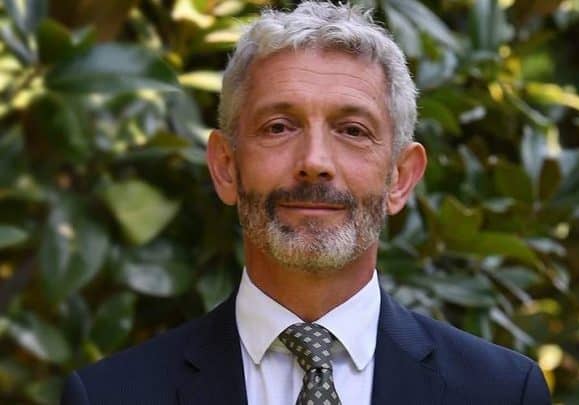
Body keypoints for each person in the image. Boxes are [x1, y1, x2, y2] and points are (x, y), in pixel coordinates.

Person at [61, 2, 551, 404]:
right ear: (226, 167)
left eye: (352, 130)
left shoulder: (503, 392)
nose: (314, 162)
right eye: (279, 127)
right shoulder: (108, 397)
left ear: (400, 178)